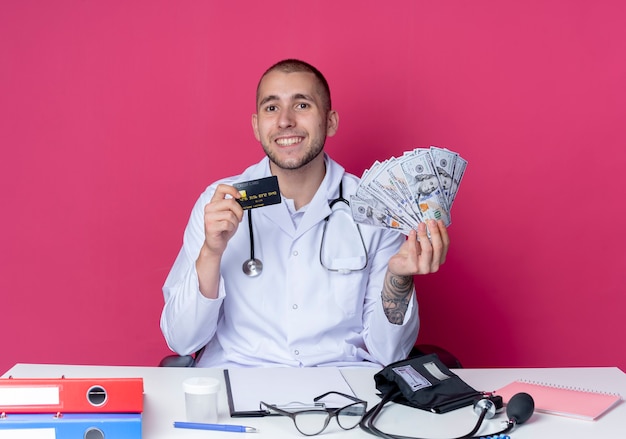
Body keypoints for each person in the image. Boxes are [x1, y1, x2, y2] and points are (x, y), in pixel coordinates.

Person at [160, 59, 449, 367]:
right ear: (257, 126)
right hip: (237, 380)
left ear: (331, 121)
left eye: (301, 105)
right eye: (271, 108)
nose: (285, 121)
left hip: (343, 389)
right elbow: (182, 340)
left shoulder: (374, 207)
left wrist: (399, 278)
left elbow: (390, 353)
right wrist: (211, 252)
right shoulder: (217, 203)